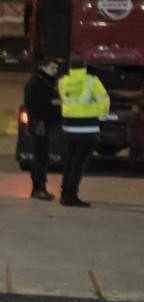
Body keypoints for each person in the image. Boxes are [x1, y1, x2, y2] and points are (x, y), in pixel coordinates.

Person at [55, 59, 110, 207]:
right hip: (88, 129)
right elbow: (104, 101)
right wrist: (99, 114)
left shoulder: (63, 82)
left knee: (69, 163)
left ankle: (64, 194)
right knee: (78, 165)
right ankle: (71, 196)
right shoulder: (92, 81)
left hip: (68, 129)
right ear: (85, 68)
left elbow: (66, 101)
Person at [22, 57, 60, 201]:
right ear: (43, 68)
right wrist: (52, 102)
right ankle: (38, 189)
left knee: (43, 158)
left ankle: (40, 188)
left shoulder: (48, 82)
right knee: (40, 157)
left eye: (56, 68)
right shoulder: (36, 83)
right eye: (52, 68)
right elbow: (32, 104)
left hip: (45, 123)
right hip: (39, 124)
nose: (55, 71)